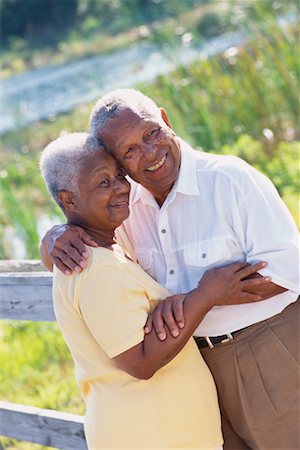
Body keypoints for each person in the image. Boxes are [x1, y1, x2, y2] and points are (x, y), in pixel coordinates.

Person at [41, 89, 300, 450]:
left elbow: (289, 270)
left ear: (165, 119)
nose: (149, 153)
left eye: (151, 133)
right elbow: (83, 243)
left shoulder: (229, 179)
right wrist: (54, 236)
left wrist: (205, 298)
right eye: (129, 151)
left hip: (266, 352)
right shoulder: (124, 208)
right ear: (117, 162)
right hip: (193, 370)